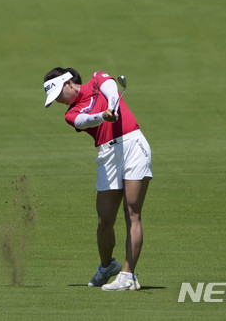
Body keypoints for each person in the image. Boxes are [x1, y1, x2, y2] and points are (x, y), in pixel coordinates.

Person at [43, 67, 152, 291]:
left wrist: (112, 106)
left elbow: (110, 87)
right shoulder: (70, 115)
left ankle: (128, 275)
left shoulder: (96, 79)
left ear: (68, 83)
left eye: (58, 95)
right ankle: (108, 266)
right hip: (107, 154)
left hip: (133, 144)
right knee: (104, 220)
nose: (59, 102)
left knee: (132, 212)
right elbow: (86, 121)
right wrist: (103, 116)